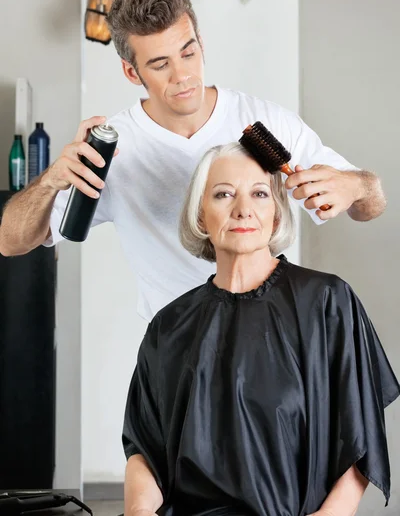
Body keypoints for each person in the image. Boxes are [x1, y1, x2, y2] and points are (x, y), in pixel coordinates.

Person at [0, 0, 386, 322]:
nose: (182, 75)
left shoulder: (266, 121)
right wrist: (52, 180)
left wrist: (357, 187)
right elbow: (11, 241)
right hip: (178, 348)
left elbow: (371, 205)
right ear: (132, 72)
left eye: (188, 52)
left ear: (201, 43)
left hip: (271, 333)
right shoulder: (113, 150)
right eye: (160, 64)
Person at [122, 142, 399, 516]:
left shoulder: (326, 302)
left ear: (277, 213)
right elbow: (144, 449)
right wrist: (139, 512)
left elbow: (361, 438)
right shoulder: (169, 325)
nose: (243, 209)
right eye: (223, 194)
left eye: (259, 193)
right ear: (201, 216)